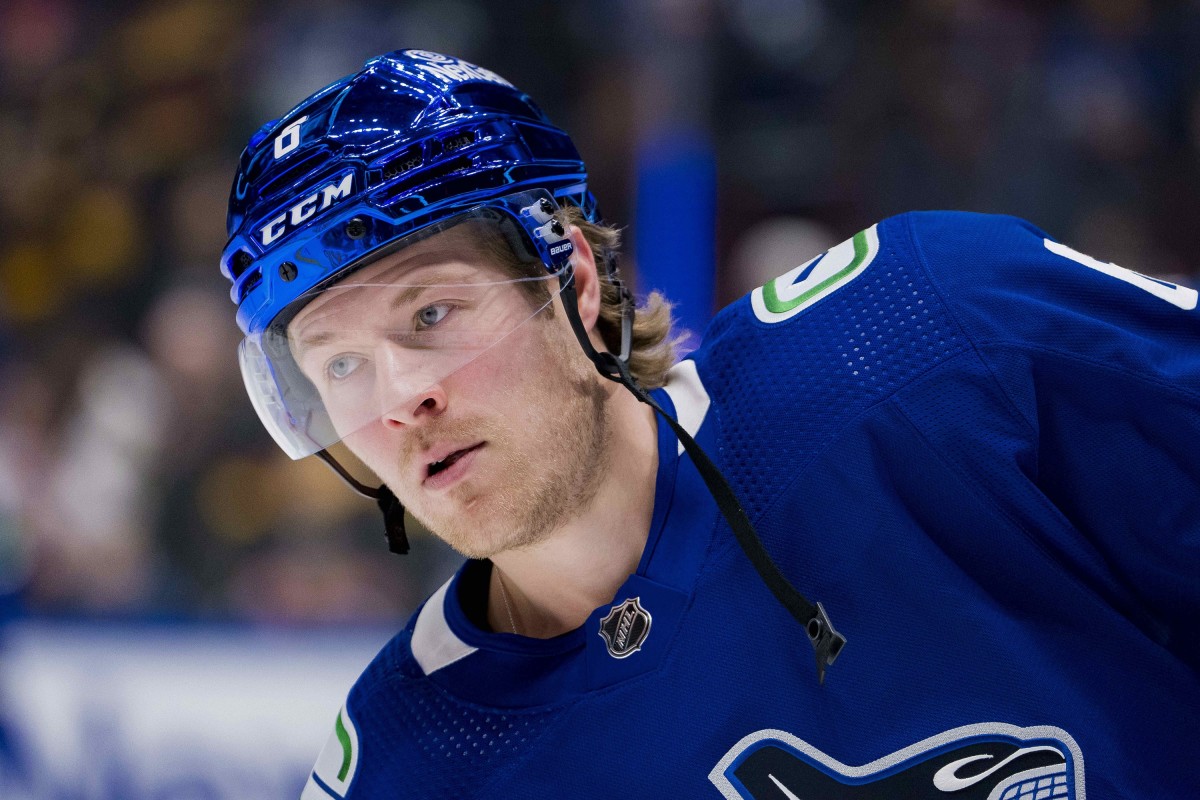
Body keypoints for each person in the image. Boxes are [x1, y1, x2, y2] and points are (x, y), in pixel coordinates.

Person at [220, 50, 1200, 800]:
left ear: (571, 277)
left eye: (431, 314)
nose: (398, 399)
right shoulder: (409, 766)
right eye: (338, 362)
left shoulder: (923, 336)